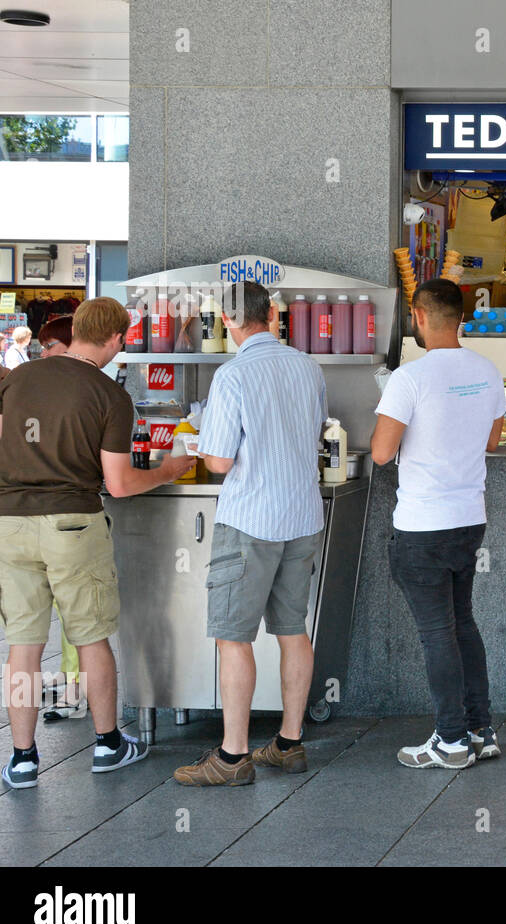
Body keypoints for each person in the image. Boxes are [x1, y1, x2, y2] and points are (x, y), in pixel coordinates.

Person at [0, 297, 193, 790]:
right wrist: (167, 469)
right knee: (90, 635)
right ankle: (107, 745)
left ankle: (22, 759)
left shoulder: (17, 379)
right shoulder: (109, 395)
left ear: (75, 329)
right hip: (73, 525)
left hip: (10, 522)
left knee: (23, 646)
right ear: (118, 339)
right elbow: (119, 484)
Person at [173, 281, 328, 787]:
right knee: (292, 630)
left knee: (232, 638)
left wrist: (195, 448)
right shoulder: (308, 367)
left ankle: (233, 757)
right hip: (302, 517)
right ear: (272, 314)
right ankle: (288, 742)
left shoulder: (233, 374)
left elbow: (219, 460)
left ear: (230, 320)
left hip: (251, 520)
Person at [371, 278, 505, 770]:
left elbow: (382, 453)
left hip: (423, 524)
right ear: (460, 317)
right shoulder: (488, 371)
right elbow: (492, 442)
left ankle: (450, 740)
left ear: (418, 316)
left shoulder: (411, 377)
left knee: (437, 633)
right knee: (462, 624)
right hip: (469, 520)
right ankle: (480, 728)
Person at [29, 313, 84, 720]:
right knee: (59, 606)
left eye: (49, 345)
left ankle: (76, 689)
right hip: (45, 511)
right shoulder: (44, 385)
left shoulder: (83, 387)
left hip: (69, 512)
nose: (42, 352)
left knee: (76, 610)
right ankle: (69, 679)